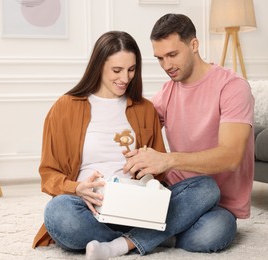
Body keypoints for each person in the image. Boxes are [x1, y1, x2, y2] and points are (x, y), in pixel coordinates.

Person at [86, 13, 254, 259]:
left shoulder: (233, 88)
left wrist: (168, 160)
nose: (166, 65)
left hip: (216, 202)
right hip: (176, 195)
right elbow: (135, 126)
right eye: (160, 58)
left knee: (213, 231)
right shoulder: (167, 92)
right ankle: (164, 231)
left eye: (172, 55)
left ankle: (129, 241)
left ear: (194, 45)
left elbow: (230, 157)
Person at [32, 30, 167, 254]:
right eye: (117, 70)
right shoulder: (65, 107)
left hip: (135, 209)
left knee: (204, 188)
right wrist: (77, 188)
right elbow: (49, 174)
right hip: (88, 210)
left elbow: (160, 170)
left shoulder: (144, 109)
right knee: (57, 212)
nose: (125, 78)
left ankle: (120, 244)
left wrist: (148, 174)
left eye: (131, 70)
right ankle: (148, 238)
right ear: (98, 65)